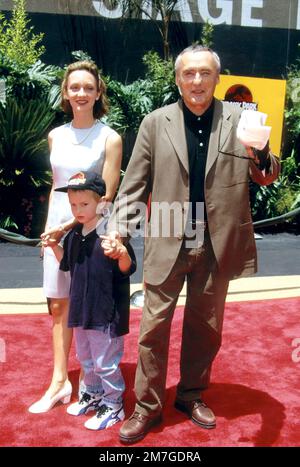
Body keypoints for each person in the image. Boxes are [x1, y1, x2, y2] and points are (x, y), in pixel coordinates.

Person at [104, 45, 281, 443]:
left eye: (204, 73)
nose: (197, 81)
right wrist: (118, 228)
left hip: (217, 243)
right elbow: (134, 185)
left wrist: (261, 153)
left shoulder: (241, 118)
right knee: (152, 329)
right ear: (178, 78)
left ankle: (190, 394)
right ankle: (147, 407)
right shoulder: (155, 122)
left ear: (217, 78)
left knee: (206, 327)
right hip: (167, 239)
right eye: (189, 74)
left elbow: (267, 175)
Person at [28, 60, 122, 413]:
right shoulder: (56, 135)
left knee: (85, 300)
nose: (80, 93)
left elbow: (107, 197)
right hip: (56, 224)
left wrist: (66, 228)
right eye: (74, 87)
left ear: (98, 93)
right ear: (65, 93)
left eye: (87, 87)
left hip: (87, 231)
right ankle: (59, 381)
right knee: (57, 304)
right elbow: (56, 186)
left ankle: (92, 380)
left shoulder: (110, 138)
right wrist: (48, 229)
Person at [41, 170, 136, 430]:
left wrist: (121, 253)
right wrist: (53, 246)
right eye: (73, 204)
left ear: (101, 203)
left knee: (106, 362)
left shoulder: (111, 235)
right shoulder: (74, 235)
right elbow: (68, 265)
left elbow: (128, 267)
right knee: (86, 359)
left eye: (84, 204)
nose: (78, 209)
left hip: (106, 313)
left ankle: (114, 403)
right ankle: (93, 395)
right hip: (81, 310)